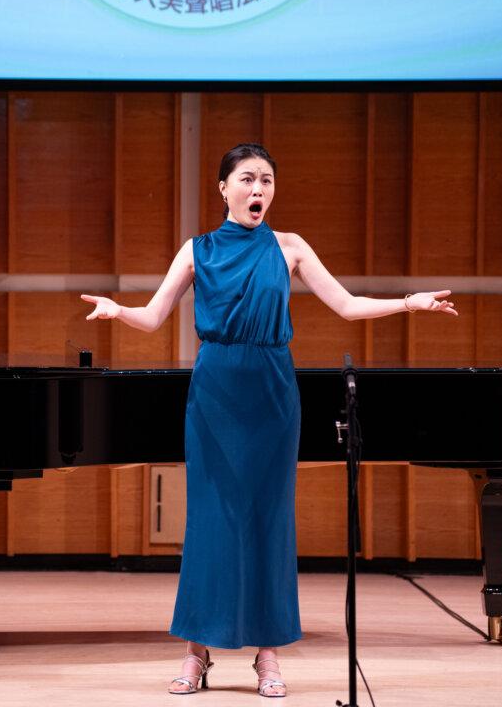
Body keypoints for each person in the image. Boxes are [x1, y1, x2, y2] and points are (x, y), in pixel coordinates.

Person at [81, 144, 457, 697]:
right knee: (209, 520)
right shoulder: (198, 250)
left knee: (268, 520)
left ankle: (268, 654)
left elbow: (347, 305)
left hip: (273, 392)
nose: (259, 189)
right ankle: (197, 650)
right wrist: (117, 312)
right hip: (215, 392)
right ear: (223, 188)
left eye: (267, 180)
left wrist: (409, 302)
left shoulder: (290, 247)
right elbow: (154, 316)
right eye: (247, 179)